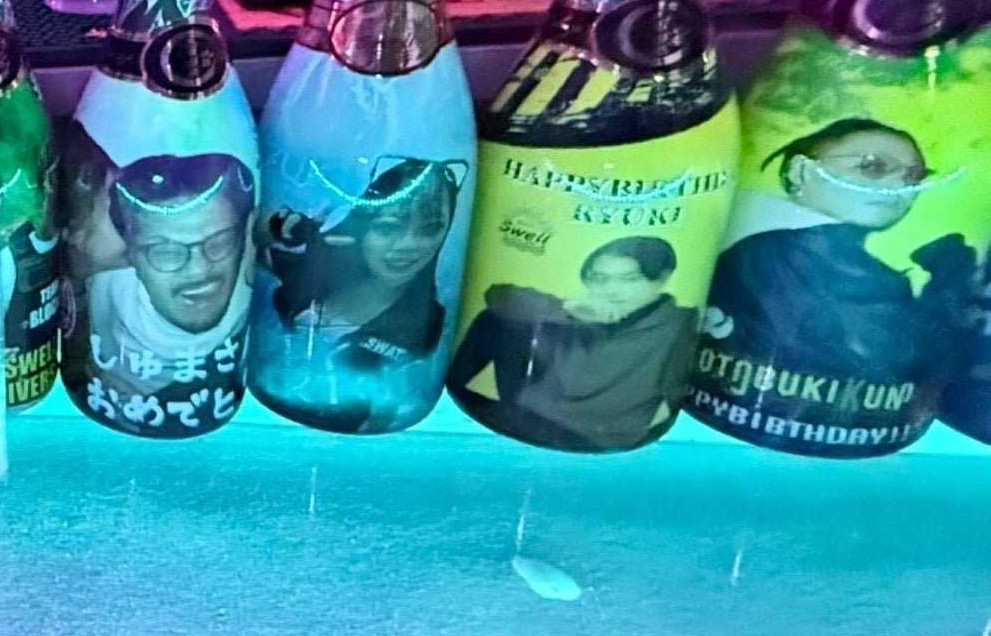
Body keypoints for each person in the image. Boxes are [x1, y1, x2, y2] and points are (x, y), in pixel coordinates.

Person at [703, 118, 975, 390]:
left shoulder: (875, 275)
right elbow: (881, 360)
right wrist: (945, 286)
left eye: (915, 176)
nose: (899, 185)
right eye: (872, 167)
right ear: (800, 172)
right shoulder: (770, 256)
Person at [260, 158, 462, 430]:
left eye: (430, 229)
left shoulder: (426, 325)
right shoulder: (316, 269)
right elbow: (254, 240)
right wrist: (291, 230)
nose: (408, 245)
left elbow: (382, 411)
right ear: (362, 226)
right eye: (388, 227)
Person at [451, 235, 699, 450]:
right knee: (496, 318)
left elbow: (672, 393)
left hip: (602, 433)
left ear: (662, 278)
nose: (611, 289)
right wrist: (566, 308)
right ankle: (460, 391)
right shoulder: (581, 312)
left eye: (629, 279)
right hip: (531, 413)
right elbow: (499, 296)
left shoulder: (680, 322)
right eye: (599, 278)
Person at [81, 152, 252, 386]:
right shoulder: (106, 294)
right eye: (166, 252)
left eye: (220, 242)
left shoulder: (253, 285)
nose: (198, 271)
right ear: (130, 254)